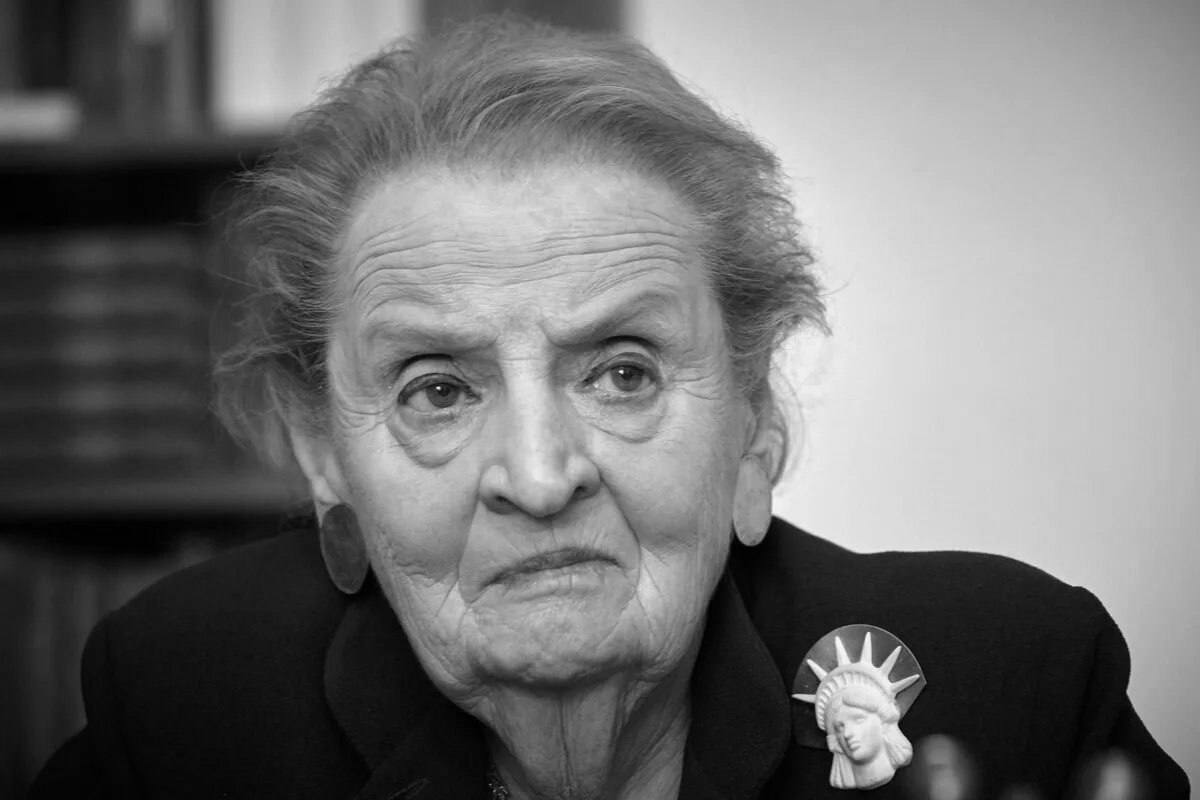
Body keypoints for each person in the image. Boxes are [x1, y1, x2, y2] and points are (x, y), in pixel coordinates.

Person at [31, 15, 1187, 800]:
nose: (540, 476)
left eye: (622, 372)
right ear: (324, 452)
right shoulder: (184, 705)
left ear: (754, 428)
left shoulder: (1019, 683)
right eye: (438, 389)